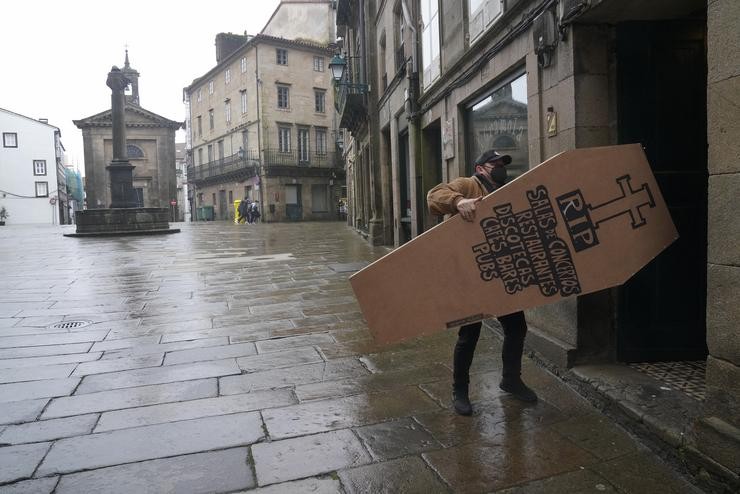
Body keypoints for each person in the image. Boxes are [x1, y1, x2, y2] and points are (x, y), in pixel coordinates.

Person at [426, 149, 538, 416]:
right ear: (480, 168)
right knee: (469, 334)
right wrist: (458, 201)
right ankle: (460, 390)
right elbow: (433, 196)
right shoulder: (468, 184)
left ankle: (511, 379)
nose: (500, 168)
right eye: (495, 164)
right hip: (469, 274)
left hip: (501, 273)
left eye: (503, 164)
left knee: (517, 327)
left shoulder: (506, 190)